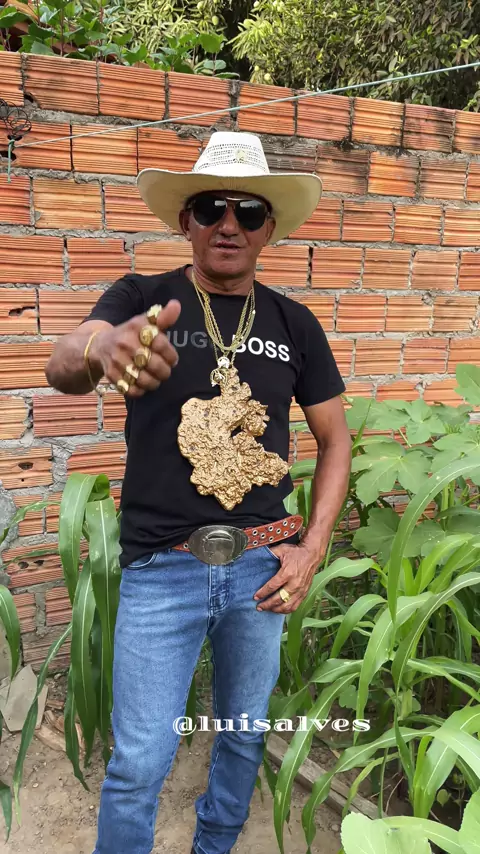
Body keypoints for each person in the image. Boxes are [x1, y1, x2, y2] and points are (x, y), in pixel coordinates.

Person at [45, 130, 352, 854]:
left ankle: (214, 847)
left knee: (243, 736)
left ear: (269, 228)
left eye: (249, 212)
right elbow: (63, 363)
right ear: (186, 219)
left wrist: (312, 546)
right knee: (139, 762)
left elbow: (336, 440)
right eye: (212, 207)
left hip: (262, 567)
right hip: (162, 569)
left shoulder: (294, 323)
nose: (229, 225)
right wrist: (99, 348)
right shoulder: (142, 299)